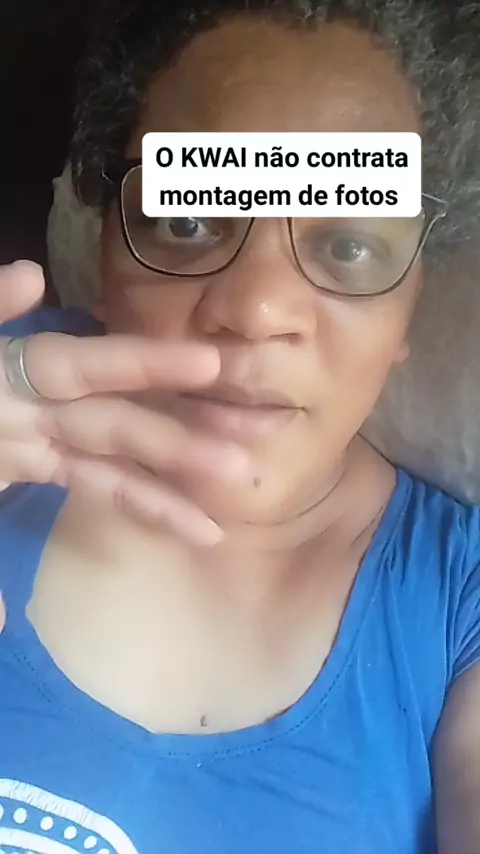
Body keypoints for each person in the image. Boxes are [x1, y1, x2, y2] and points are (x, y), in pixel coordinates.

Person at [0, 1, 479, 851]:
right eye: (187, 220)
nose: (257, 310)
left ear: (410, 310)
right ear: (106, 249)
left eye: (349, 245)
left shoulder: (455, 598)